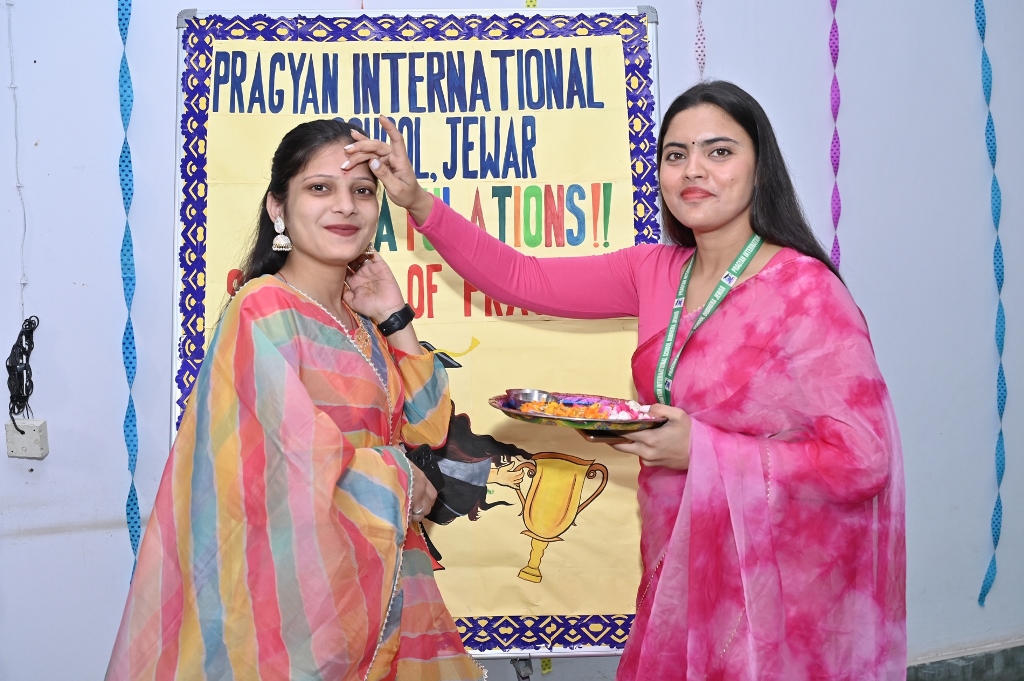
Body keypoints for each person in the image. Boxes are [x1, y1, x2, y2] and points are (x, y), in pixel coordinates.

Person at [345, 81, 906, 680]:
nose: (694, 170)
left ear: (760, 168)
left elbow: (862, 460)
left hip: (780, 584)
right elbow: (521, 278)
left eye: (719, 152)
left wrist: (703, 451)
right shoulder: (656, 270)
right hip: (679, 558)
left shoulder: (807, 291)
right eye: (676, 154)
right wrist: (417, 201)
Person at [106, 119, 484, 681]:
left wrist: (395, 317)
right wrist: (402, 477)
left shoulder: (362, 324)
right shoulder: (263, 309)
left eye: (362, 190)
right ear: (278, 207)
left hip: (383, 583)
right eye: (319, 187)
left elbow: (429, 431)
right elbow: (297, 461)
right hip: (298, 604)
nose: (345, 206)